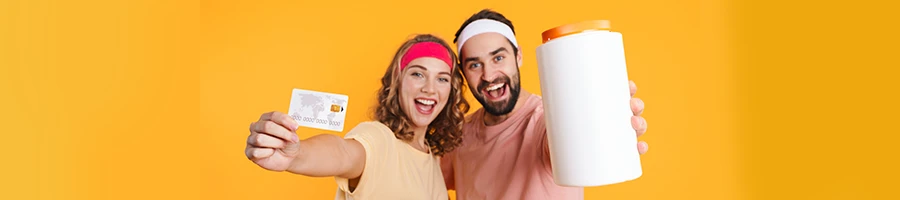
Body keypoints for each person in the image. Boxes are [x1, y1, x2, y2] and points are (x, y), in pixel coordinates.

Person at [440, 9, 651, 199]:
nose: (488, 75)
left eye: (498, 58)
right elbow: (429, 184)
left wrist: (605, 124)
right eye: (475, 64)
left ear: (518, 56)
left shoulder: (544, 122)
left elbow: (568, 139)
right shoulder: (461, 134)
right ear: (463, 73)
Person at [244, 34, 469, 200]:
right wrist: (297, 154)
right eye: (418, 74)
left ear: (450, 91)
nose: (430, 89)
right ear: (397, 82)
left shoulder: (433, 158)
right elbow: (343, 152)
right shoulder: (379, 139)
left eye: (442, 79)